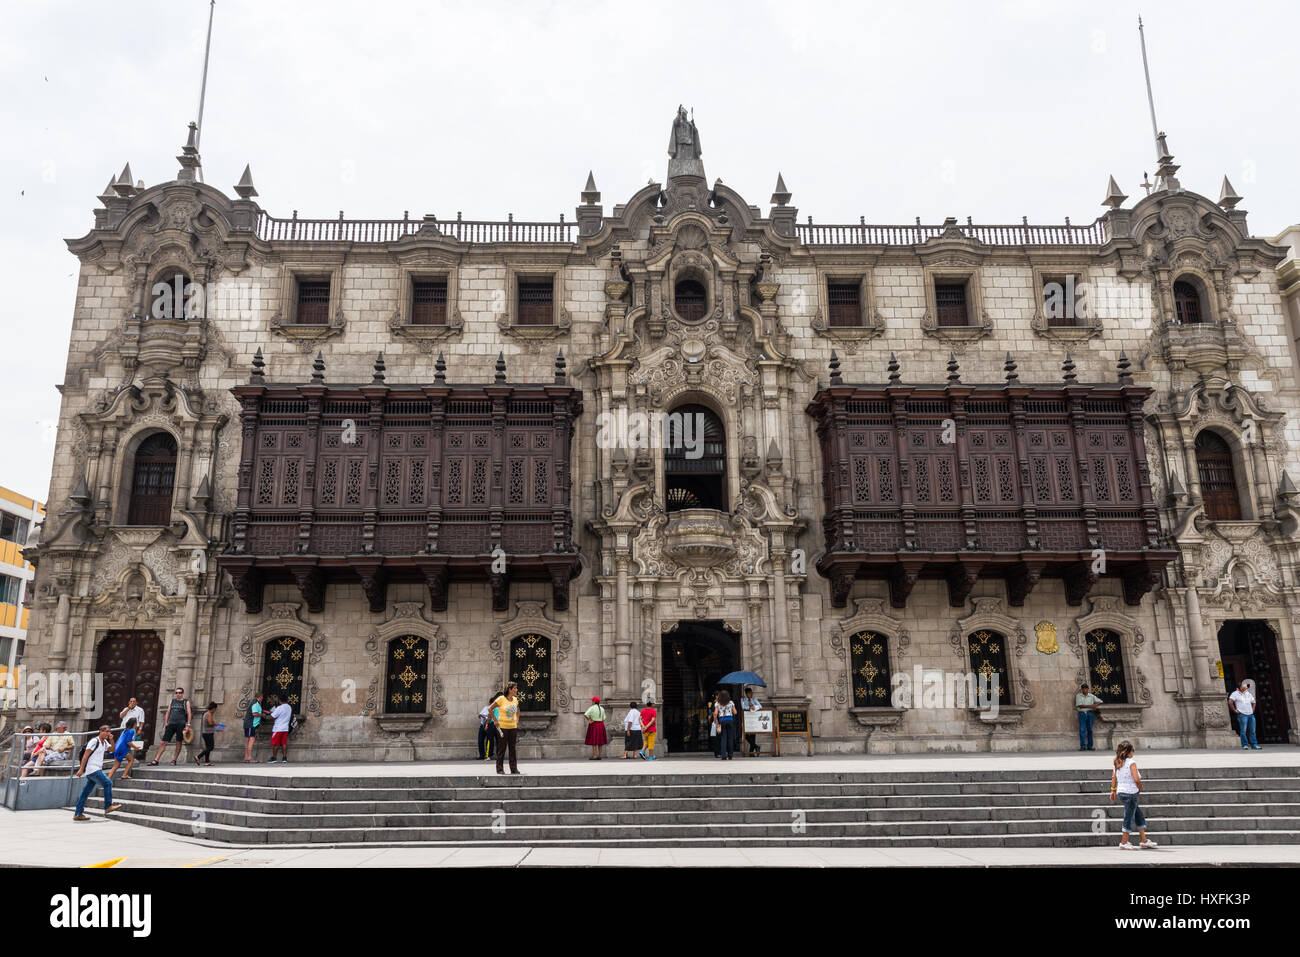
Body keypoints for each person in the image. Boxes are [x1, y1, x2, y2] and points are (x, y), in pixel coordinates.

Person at [1110, 739, 1156, 850]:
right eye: (1133, 750)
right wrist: (1140, 788)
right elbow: (1136, 779)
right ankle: (1124, 842)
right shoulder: (1131, 762)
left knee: (1137, 814)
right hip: (1131, 793)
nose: (1133, 752)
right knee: (1129, 816)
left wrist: (1113, 790)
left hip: (1121, 792)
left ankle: (1144, 840)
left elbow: (1114, 777)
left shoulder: (1117, 762)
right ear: (1129, 752)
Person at [72, 725, 123, 821]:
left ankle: (78, 813)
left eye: (109, 731)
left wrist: (112, 740)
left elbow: (112, 750)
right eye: (107, 731)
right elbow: (85, 756)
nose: (108, 733)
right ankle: (108, 806)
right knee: (108, 783)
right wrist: (81, 769)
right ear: (101, 731)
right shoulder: (94, 741)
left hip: (95, 769)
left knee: (85, 792)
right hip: (93, 769)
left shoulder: (104, 742)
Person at [150, 686, 192, 766]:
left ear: (182, 694)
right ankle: (156, 760)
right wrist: (166, 722)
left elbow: (189, 713)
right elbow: (168, 712)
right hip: (171, 724)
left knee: (178, 742)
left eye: (180, 693)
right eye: (176, 693)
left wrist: (188, 725)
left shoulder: (186, 702)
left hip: (181, 724)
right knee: (163, 742)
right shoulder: (172, 701)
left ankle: (174, 760)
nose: (178, 694)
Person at [491, 681, 521, 775]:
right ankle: (500, 769)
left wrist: (517, 720)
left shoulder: (515, 700)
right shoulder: (501, 699)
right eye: (515, 688)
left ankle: (514, 769)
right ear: (509, 689)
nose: (516, 690)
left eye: (516, 688)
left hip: (513, 727)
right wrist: (495, 720)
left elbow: (518, 710)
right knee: (502, 748)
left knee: (512, 749)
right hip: (502, 727)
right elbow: (490, 709)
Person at [1229, 679, 1261, 750]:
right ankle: (1245, 745)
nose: (1246, 687)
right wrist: (1234, 710)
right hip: (1242, 715)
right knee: (1243, 730)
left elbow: (1254, 702)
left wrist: (1252, 710)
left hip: (1250, 714)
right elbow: (1230, 702)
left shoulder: (1248, 693)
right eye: (1244, 686)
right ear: (1240, 687)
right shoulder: (1235, 693)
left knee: (1252, 730)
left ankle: (1254, 745)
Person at [1075, 683, 1103, 751]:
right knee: (1082, 730)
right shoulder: (1078, 696)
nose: (1084, 690)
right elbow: (1080, 705)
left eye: (1086, 689)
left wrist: (1095, 704)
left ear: (1088, 689)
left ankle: (1090, 746)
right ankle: (1083, 746)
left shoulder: (1091, 696)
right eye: (1083, 689)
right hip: (1082, 714)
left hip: (1090, 714)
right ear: (1081, 690)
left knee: (1090, 730)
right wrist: (1091, 706)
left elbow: (1101, 701)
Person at [119, 696, 146, 762]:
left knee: (131, 742)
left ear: (136, 703)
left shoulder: (140, 710)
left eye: (134, 701)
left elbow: (141, 721)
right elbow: (121, 716)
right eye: (131, 701)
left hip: (133, 729)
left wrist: (140, 729)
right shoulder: (126, 709)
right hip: (124, 728)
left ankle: (131, 757)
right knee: (123, 742)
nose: (132, 703)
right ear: (129, 702)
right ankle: (124, 756)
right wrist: (128, 708)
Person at [267, 695, 293, 763]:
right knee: (284, 743)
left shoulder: (279, 708)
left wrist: (269, 713)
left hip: (278, 728)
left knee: (276, 744)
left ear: (280, 701)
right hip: (285, 728)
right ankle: (284, 758)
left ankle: (274, 758)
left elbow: (272, 716)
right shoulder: (289, 707)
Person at [714, 690, 737, 760]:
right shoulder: (731, 702)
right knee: (730, 738)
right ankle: (730, 755)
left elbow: (715, 714)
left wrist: (716, 722)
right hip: (730, 720)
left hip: (722, 720)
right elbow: (735, 712)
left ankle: (723, 755)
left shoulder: (717, 703)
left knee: (723, 738)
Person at [740, 687, 763, 756]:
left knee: (753, 735)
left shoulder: (754, 699)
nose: (751, 694)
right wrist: (749, 707)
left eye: (751, 693)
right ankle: (756, 746)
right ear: (746, 694)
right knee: (746, 736)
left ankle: (751, 752)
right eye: (749, 693)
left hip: (753, 719)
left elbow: (760, 706)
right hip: (746, 719)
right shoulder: (743, 700)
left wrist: (754, 706)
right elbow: (743, 707)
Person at [243, 693, 263, 763]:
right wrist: (262, 715)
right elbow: (254, 713)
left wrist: (264, 711)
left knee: (248, 741)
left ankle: (246, 757)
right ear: (260, 697)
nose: (262, 699)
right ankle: (249, 758)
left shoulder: (254, 703)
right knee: (251, 740)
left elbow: (257, 711)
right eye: (262, 698)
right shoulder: (255, 703)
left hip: (249, 724)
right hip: (251, 724)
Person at [477, 695, 498, 760]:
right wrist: (485, 719)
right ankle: (482, 755)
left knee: (490, 741)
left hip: (491, 725)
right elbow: (480, 715)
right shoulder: (486, 708)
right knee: (480, 740)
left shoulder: (496, 709)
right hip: (483, 725)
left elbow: (489, 716)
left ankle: (489, 755)